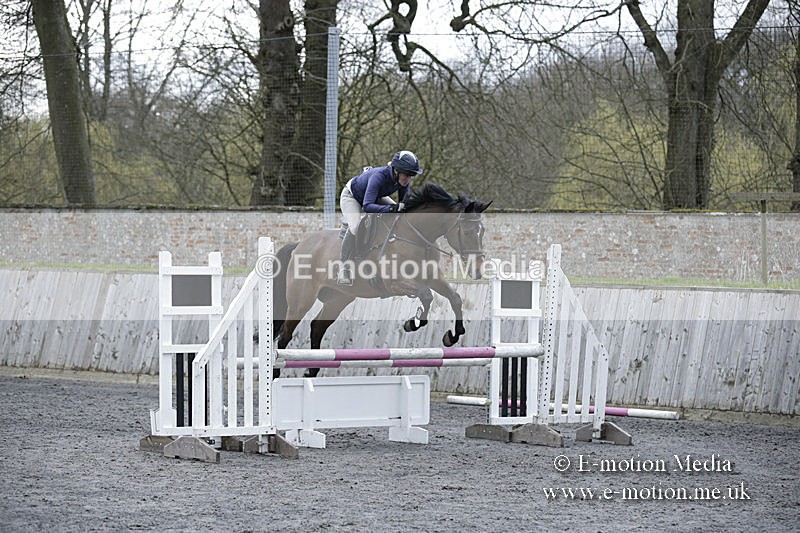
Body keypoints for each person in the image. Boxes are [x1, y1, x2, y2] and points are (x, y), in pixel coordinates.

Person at [337, 150, 424, 285]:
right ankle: (343, 268)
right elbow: (367, 206)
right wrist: (391, 209)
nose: (408, 179)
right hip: (352, 197)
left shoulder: (403, 181)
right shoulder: (379, 176)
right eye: (406, 175)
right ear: (396, 170)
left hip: (375, 196)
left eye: (411, 175)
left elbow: (403, 207)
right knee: (355, 227)